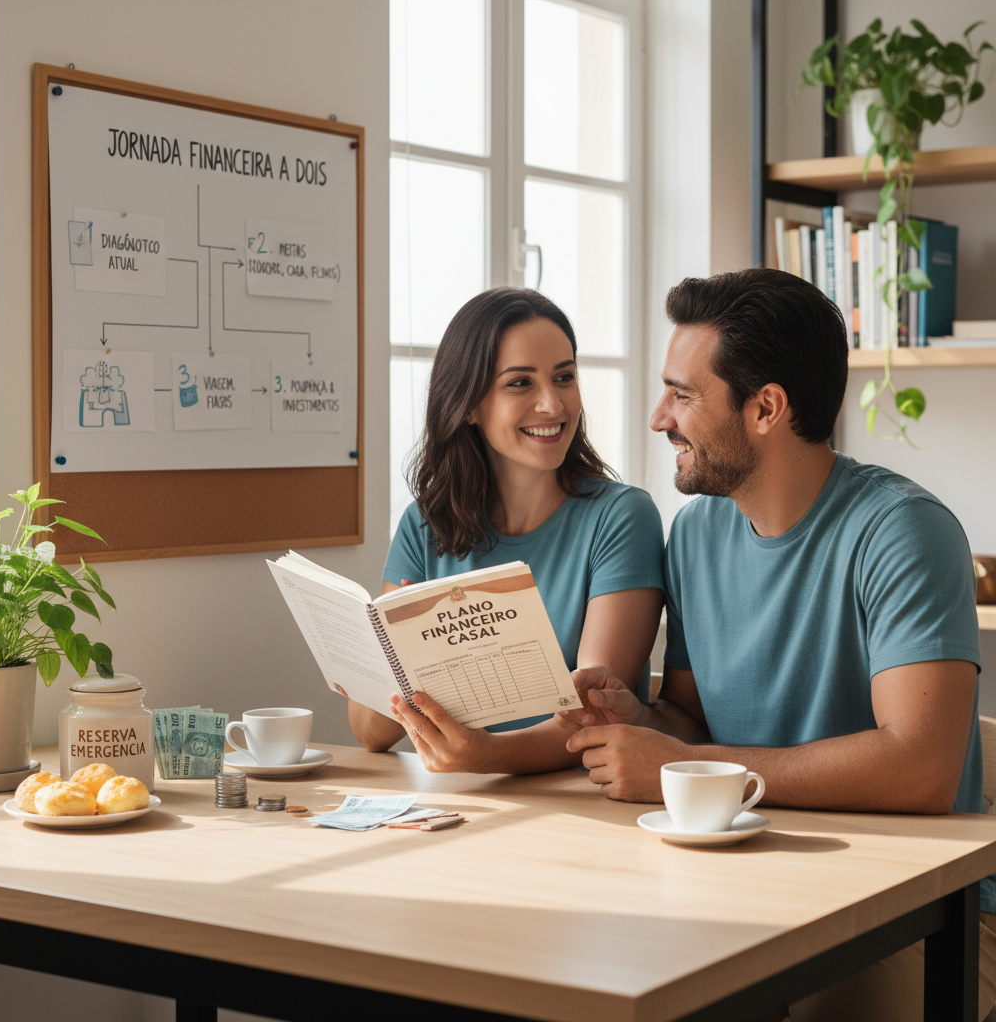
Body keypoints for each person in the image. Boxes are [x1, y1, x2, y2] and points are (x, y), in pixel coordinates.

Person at [556, 267, 996, 1021]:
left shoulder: (903, 532)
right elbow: (691, 721)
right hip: (742, 884)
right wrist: (641, 722)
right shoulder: (695, 534)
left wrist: (690, 766)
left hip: (919, 911)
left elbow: (922, 768)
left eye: (682, 394)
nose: (659, 417)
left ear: (766, 408)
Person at [348, 286, 664, 774]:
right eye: (520, 383)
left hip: (582, 806)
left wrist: (485, 756)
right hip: (452, 805)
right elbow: (372, 732)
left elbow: (595, 714)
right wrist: (402, 646)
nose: (552, 404)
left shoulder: (622, 517)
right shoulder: (422, 524)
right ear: (469, 404)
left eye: (564, 377)